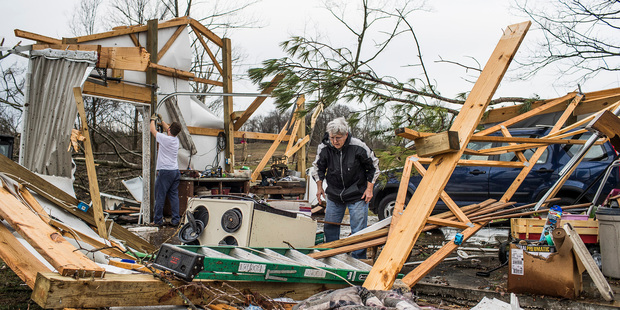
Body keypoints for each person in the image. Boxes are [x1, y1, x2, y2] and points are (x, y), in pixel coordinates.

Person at [312, 117, 380, 259]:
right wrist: (319, 187)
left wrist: (369, 189)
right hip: (334, 194)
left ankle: (358, 260)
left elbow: (373, 167)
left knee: (358, 231)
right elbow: (318, 167)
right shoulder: (324, 148)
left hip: (357, 194)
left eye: (338, 138)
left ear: (346, 135)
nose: (335, 141)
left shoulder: (358, 146)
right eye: (332, 138)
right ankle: (331, 257)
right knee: (330, 227)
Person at [149, 114, 182, 226]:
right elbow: (168, 128)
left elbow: (152, 130)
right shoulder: (175, 140)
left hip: (165, 171)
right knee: (173, 196)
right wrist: (162, 120)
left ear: (169, 130)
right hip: (175, 171)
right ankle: (175, 220)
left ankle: (157, 221)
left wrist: (152, 120)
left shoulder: (165, 139)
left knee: (160, 196)